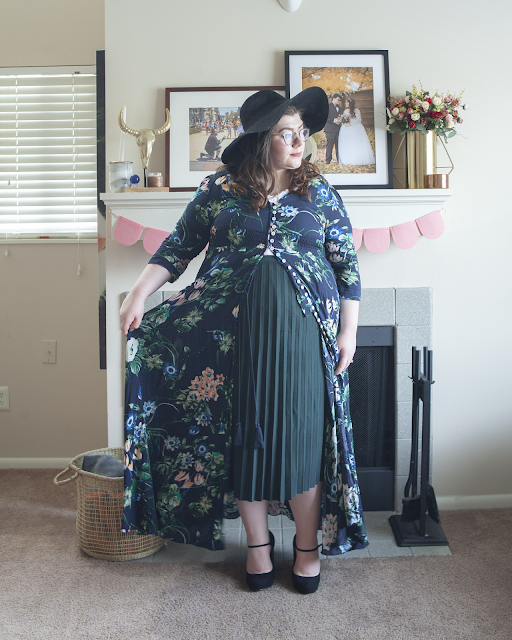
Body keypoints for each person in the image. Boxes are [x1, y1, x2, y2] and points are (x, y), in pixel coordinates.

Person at [120, 87, 368, 595]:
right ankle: (257, 547)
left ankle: (305, 547)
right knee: (245, 442)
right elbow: (179, 246)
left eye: (302, 133)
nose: (298, 142)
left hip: (304, 341)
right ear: (261, 140)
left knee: (301, 441)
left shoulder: (320, 195)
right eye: (285, 133)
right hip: (231, 343)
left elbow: (347, 267)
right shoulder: (219, 189)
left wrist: (349, 331)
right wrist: (136, 296)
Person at [338, 97, 376, 166]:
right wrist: (344, 123)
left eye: (347, 102)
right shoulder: (345, 111)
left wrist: (350, 124)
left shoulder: (356, 110)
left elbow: (358, 120)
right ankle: (348, 159)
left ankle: (357, 159)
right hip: (346, 129)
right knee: (348, 143)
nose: (345, 103)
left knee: (356, 144)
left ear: (350, 103)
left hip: (356, 128)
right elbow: (343, 119)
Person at [324, 93, 343, 164]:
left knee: (339, 145)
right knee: (330, 145)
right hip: (330, 129)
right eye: (338, 100)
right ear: (334, 99)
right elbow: (325, 117)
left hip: (338, 130)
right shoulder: (327, 106)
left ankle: (339, 160)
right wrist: (334, 120)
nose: (339, 101)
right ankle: (328, 160)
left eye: (340, 100)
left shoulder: (341, 108)